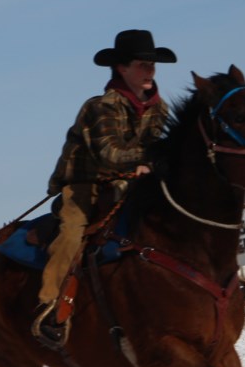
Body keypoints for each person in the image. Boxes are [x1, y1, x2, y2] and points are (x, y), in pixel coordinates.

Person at [31, 29, 176, 343]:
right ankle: (49, 305)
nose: (150, 70)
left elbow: (152, 150)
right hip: (85, 185)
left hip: (129, 183)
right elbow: (108, 154)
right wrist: (150, 157)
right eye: (142, 64)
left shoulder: (159, 109)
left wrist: (152, 164)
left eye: (153, 64)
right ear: (122, 69)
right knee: (71, 234)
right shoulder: (100, 107)